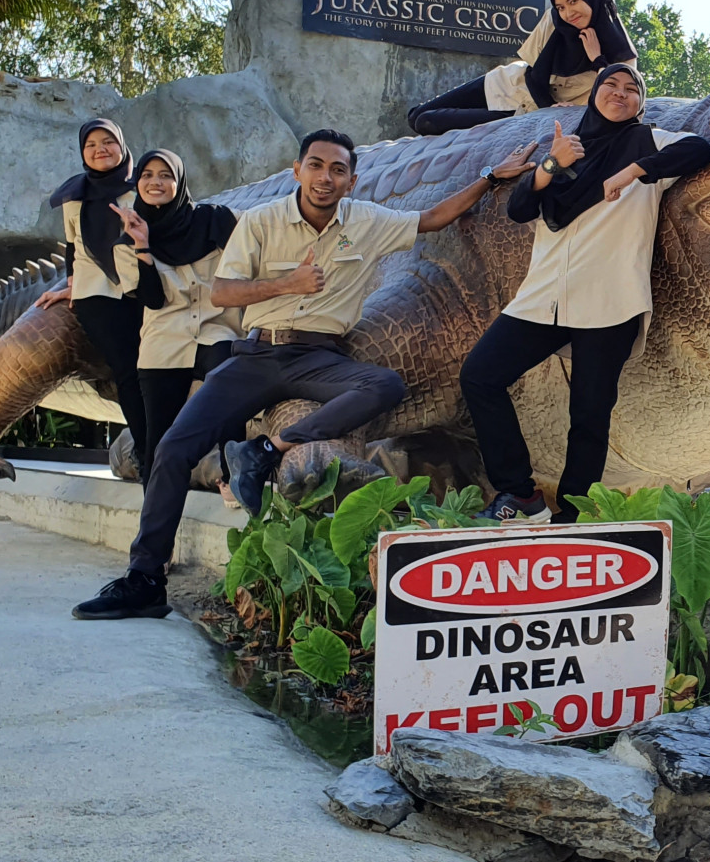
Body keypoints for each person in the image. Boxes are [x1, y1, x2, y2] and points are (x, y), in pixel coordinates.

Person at [71, 127, 536, 621]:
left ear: (351, 180)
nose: (325, 177)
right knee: (171, 448)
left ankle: (267, 450)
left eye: (337, 169)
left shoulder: (367, 221)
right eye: (316, 165)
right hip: (255, 357)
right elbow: (224, 293)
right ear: (298, 171)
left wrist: (490, 176)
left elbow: (434, 217)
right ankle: (145, 578)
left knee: (384, 384)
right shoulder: (261, 220)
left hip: (321, 356)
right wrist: (286, 284)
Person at [460, 63, 710, 522]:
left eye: (632, 88)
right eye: (610, 85)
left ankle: (571, 518)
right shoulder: (566, 150)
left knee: (590, 416)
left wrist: (633, 171)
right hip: (545, 294)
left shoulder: (651, 142)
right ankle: (520, 494)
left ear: (641, 101)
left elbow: (700, 149)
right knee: (480, 375)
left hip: (610, 299)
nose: (620, 93)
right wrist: (552, 164)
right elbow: (520, 209)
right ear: (594, 93)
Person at [112, 149, 243, 485]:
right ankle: (153, 518)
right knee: (160, 438)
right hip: (164, 338)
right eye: (147, 175)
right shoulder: (126, 242)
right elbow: (153, 300)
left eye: (166, 175)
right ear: (137, 182)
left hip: (216, 328)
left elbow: (253, 257)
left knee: (229, 382)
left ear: (180, 180)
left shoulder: (216, 220)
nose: (156, 182)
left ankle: (235, 480)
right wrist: (143, 246)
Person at [35, 118, 150, 481]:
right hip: (96, 295)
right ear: (83, 152)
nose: (101, 149)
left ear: (122, 146)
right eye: (91, 144)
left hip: (142, 288)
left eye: (108, 141)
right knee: (129, 371)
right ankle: (148, 451)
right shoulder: (73, 196)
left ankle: (164, 442)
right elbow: (74, 247)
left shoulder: (143, 187)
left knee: (156, 369)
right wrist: (72, 284)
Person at [407, 0, 640, 134]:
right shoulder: (554, 21)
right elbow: (533, 73)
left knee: (426, 122)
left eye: (574, 1)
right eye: (560, 6)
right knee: (415, 115)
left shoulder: (623, 56)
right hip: (508, 84)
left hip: (525, 112)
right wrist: (549, 104)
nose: (568, 13)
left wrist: (597, 60)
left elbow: (614, 102)